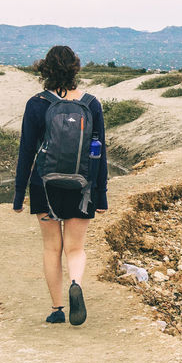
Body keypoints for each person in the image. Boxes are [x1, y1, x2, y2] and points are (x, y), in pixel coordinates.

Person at [13, 45, 108, 325]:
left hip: (45, 185)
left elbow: (26, 151)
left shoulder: (37, 103)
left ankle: (57, 309)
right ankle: (75, 282)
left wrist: (19, 196)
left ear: (45, 70)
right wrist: (101, 197)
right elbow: (100, 152)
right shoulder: (91, 104)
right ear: (75, 69)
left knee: (51, 247)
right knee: (75, 248)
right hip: (83, 187)